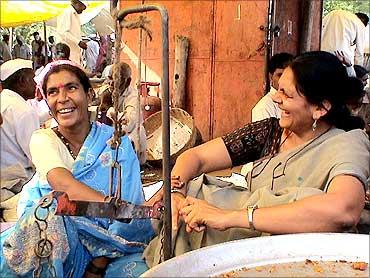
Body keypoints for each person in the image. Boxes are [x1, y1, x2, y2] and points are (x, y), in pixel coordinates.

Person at [144, 51, 369, 266]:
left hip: (278, 254)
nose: (276, 99)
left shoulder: (347, 144)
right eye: (278, 90)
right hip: (215, 228)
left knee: (309, 198)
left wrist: (229, 217)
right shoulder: (269, 132)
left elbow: (343, 210)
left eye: (287, 95)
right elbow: (197, 157)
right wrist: (175, 192)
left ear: (320, 108)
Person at [0, 60, 155, 277]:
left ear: (89, 95)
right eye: (53, 92)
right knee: (51, 209)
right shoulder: (43, 139)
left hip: (113, 247)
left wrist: (98, 264)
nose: (62, 98)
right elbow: (65, 186)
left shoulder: (116, 143)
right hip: (54, 239)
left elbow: (131, 208)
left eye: (71, 88)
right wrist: (117, 208)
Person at [0, 59, 39, 220]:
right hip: (15, 187)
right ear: (23, 81)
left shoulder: (6, 101)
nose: (36, 84)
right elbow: (37, 157)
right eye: (33, 79)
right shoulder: (22, 110)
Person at [97, 62, 147, 164]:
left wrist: (109, 109)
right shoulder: (107, 90)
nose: (111, 83)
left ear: (127, 82)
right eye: (110, 78)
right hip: (111, 137)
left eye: (116, 80)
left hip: (128, 138)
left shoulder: (133, 97)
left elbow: (127, 124)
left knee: (134, 134)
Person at [321, 10, 369, 76]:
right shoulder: (360, 24)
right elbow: (359, 53)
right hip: (341, 60)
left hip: (321, 54)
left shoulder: (332, 13)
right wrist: (358, 74)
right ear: (364, 24)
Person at [252, 52, 293, 121]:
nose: (283, 80)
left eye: (288, 76)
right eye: (280, 75)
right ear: (271, 76)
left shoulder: (299, 103)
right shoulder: (264, 108)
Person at [56, 0, 88, 64]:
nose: (83, 10)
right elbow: (63, 33)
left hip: (74, 55)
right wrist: (78, 42)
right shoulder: (67, 13)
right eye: (83, 7)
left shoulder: (75, 15)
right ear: (77, 3)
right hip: (67, 54)